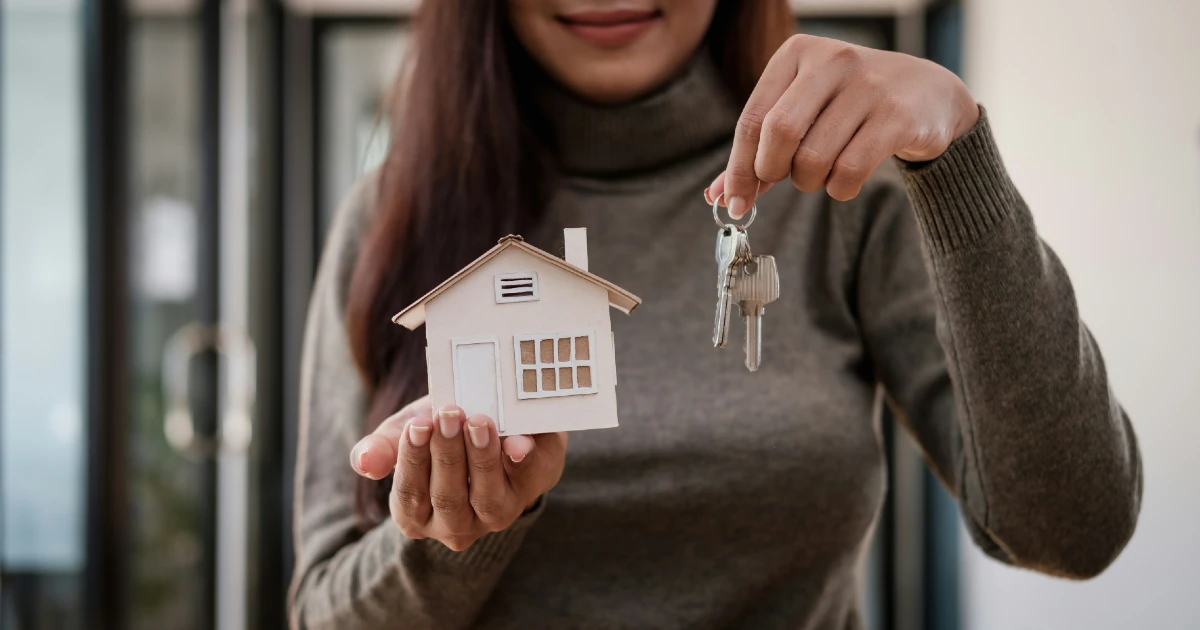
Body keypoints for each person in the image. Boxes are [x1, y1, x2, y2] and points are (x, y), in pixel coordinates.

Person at [288, 1, 1143, 628]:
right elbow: (321, 613)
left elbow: (1073, 529)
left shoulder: (845, 193)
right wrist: (452, 534)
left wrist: (958, 157)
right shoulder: (390, 214)